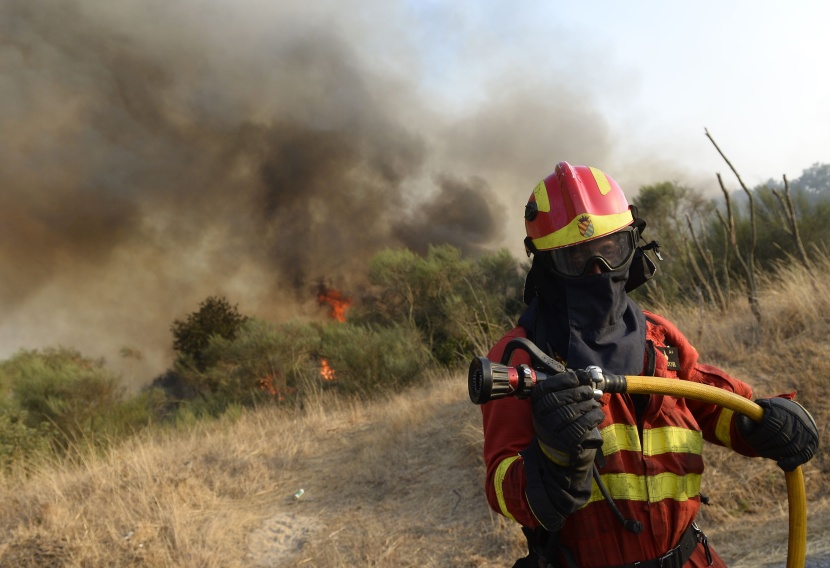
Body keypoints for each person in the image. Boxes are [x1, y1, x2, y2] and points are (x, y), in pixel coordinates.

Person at [480, 162, 819, 568]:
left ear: (633, 244)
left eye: (610, 251)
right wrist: (549, 461)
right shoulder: (520, 358)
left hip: (689, 559)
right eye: (577, 259)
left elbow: (706, 401)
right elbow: (500, 487)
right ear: (547, 265)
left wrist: (760, 423)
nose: (598, 271)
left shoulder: (657, 337)